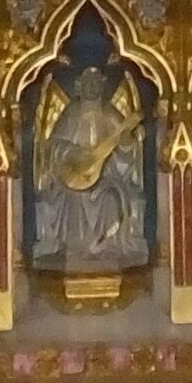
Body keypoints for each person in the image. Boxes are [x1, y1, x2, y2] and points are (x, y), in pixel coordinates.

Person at [35, 63, 152, 276]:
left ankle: (105, 248)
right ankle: (75, 249)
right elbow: (53, 146)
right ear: (79, 86)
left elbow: (126, 152)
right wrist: (73, 153)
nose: (92, 88)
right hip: (73, 176)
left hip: (107, 177)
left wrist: (126, 141)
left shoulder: (110, 114)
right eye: (88, 83)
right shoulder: (71, 113)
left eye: (96, 83)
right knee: (72, 197)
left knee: (110, 198)